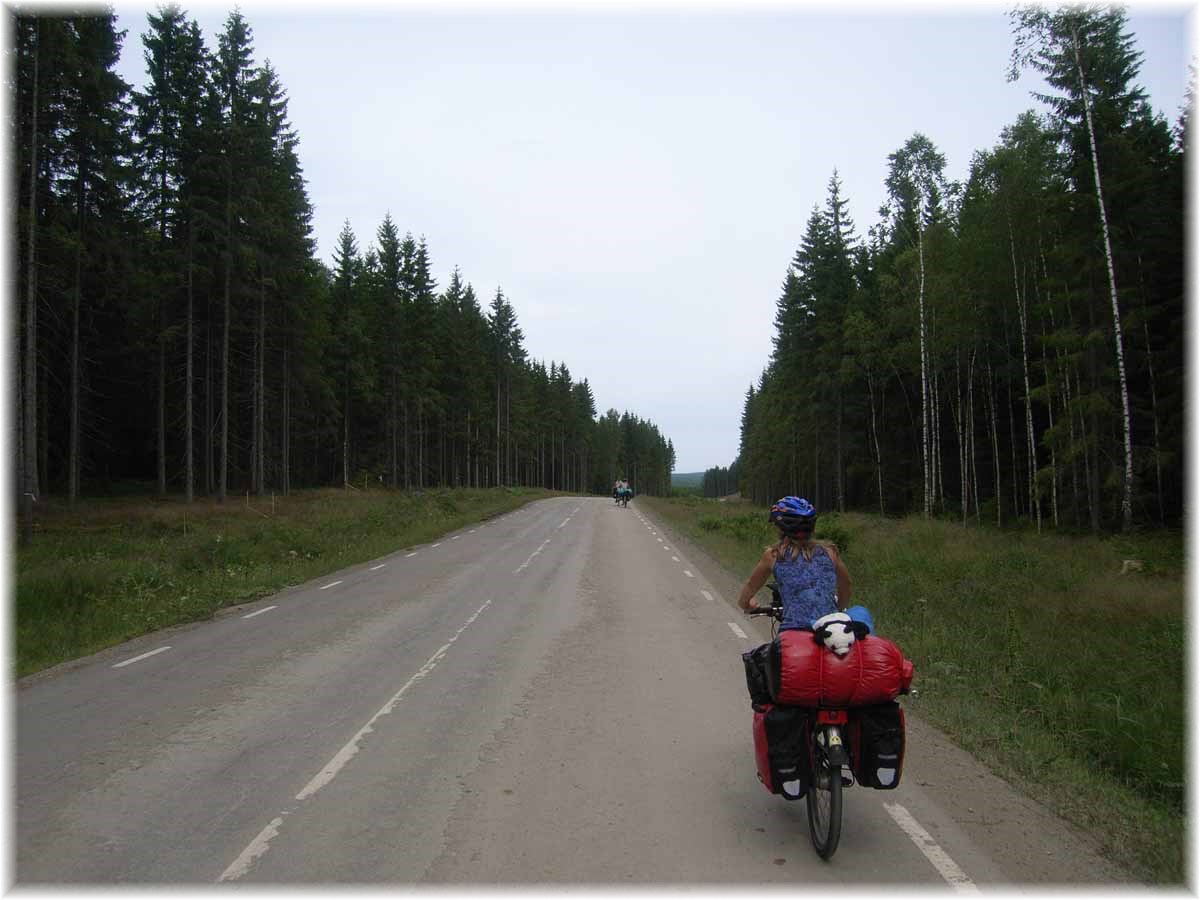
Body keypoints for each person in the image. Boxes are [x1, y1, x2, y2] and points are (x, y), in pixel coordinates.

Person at [737, 496, 868, 632]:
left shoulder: (774, 555)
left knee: (762, 654)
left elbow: (750, 587)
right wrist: (839, 609)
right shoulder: (830, 552)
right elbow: (846, 584)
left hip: (794, 632)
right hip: (830, 632)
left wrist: (746, 604)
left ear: (781, 527)